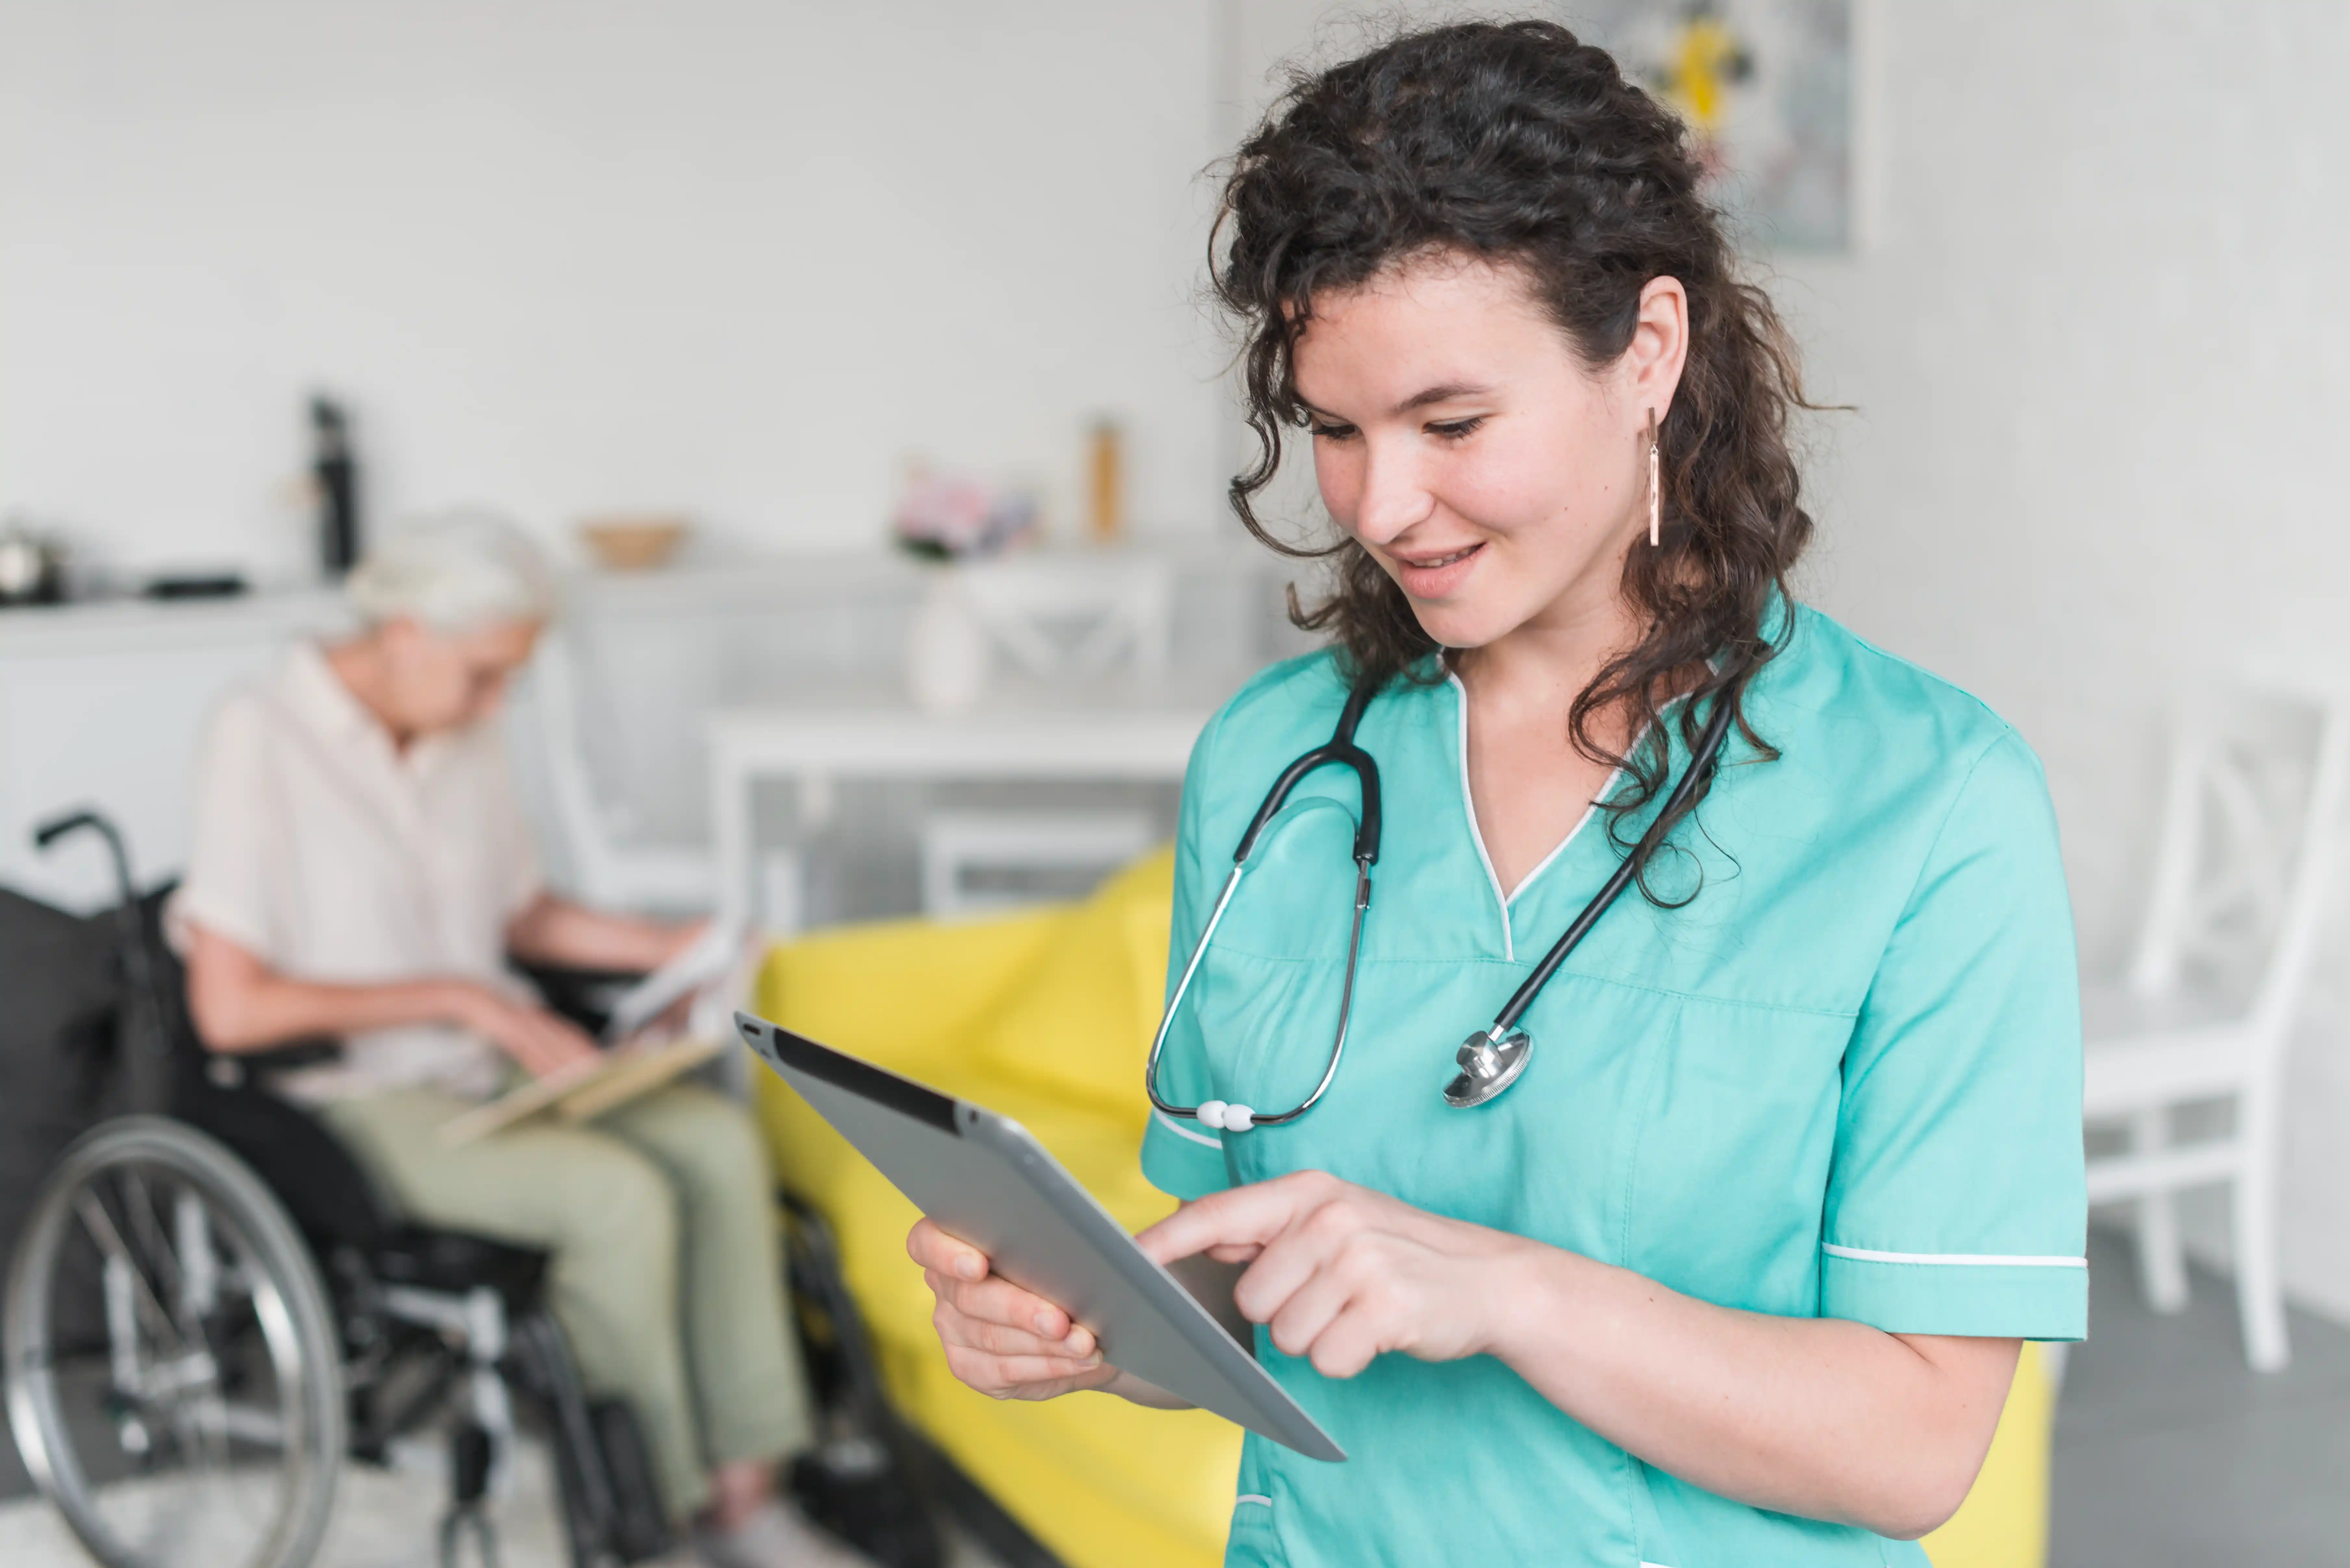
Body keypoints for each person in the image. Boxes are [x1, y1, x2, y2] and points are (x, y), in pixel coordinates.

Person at [910, 21, 2086, 1568]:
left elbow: (1918, 1445)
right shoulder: (1272, 768)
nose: (1383, 506)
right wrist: (1091, 1322)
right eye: (1335, 429)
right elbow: (1259, 1292)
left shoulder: (1934, 808)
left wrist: (1511, 1290)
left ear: (1648, 353)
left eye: (1452, 425)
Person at [172, 511, 862, 1568]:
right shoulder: (258, 732)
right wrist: (458, 997)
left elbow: (522, 917)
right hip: (349, 1094)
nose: (497, 704)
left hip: (481, 1063)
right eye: (484, 674)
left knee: (719, 1147)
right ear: (404, 631)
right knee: (614, 1196)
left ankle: (746, 1495)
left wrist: (675, 943)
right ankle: (652, 1518)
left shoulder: (463, 726)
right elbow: (229, 1008)